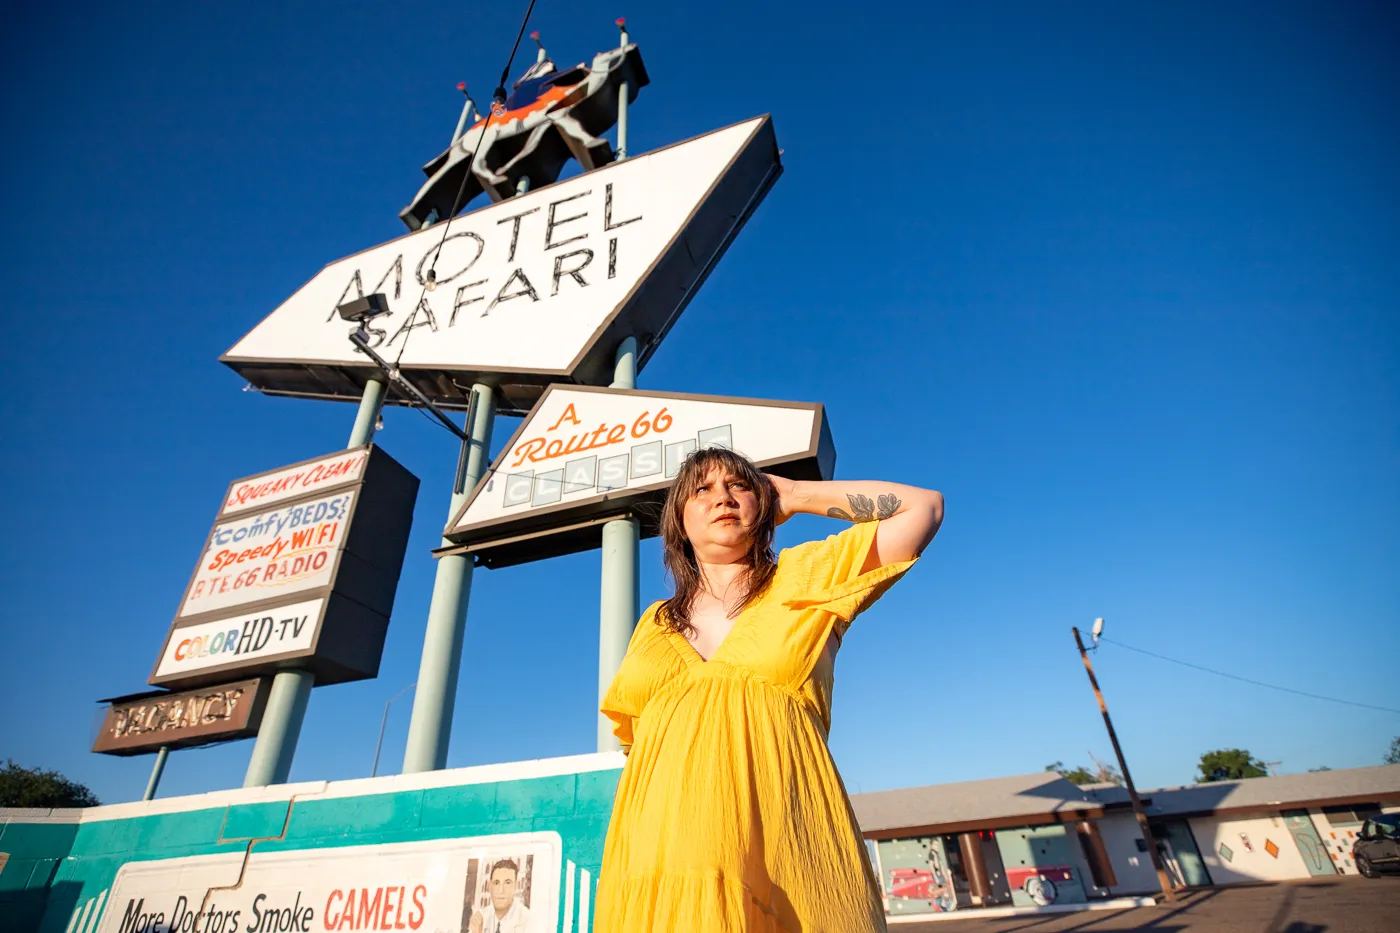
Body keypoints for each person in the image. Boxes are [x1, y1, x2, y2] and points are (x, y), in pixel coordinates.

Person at [595, 447, 944, 932]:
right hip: (661, 858)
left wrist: (796, 494)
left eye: (739, 486)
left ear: (764, 505)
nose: (723, 497)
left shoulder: (810, 577)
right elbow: (638, 747)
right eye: (702, 489)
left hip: (783, 845)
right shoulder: (653, 624)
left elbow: (923, 507)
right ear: (679, 518)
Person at [468, 859, 532, 933]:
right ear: (490, 887)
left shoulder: (527, 920)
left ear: (516, 886)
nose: (501, 890)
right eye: (496, 883)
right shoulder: (481, 917)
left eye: (508, 883)